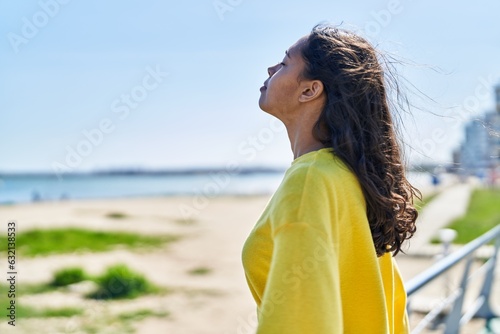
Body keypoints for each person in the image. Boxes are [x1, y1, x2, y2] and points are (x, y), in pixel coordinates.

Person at [242, 24, 420, 333]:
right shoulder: (351, 178)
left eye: (284, 63)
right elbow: (391, 306)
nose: (271, 68)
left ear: (310, 90)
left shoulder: (310, 181)